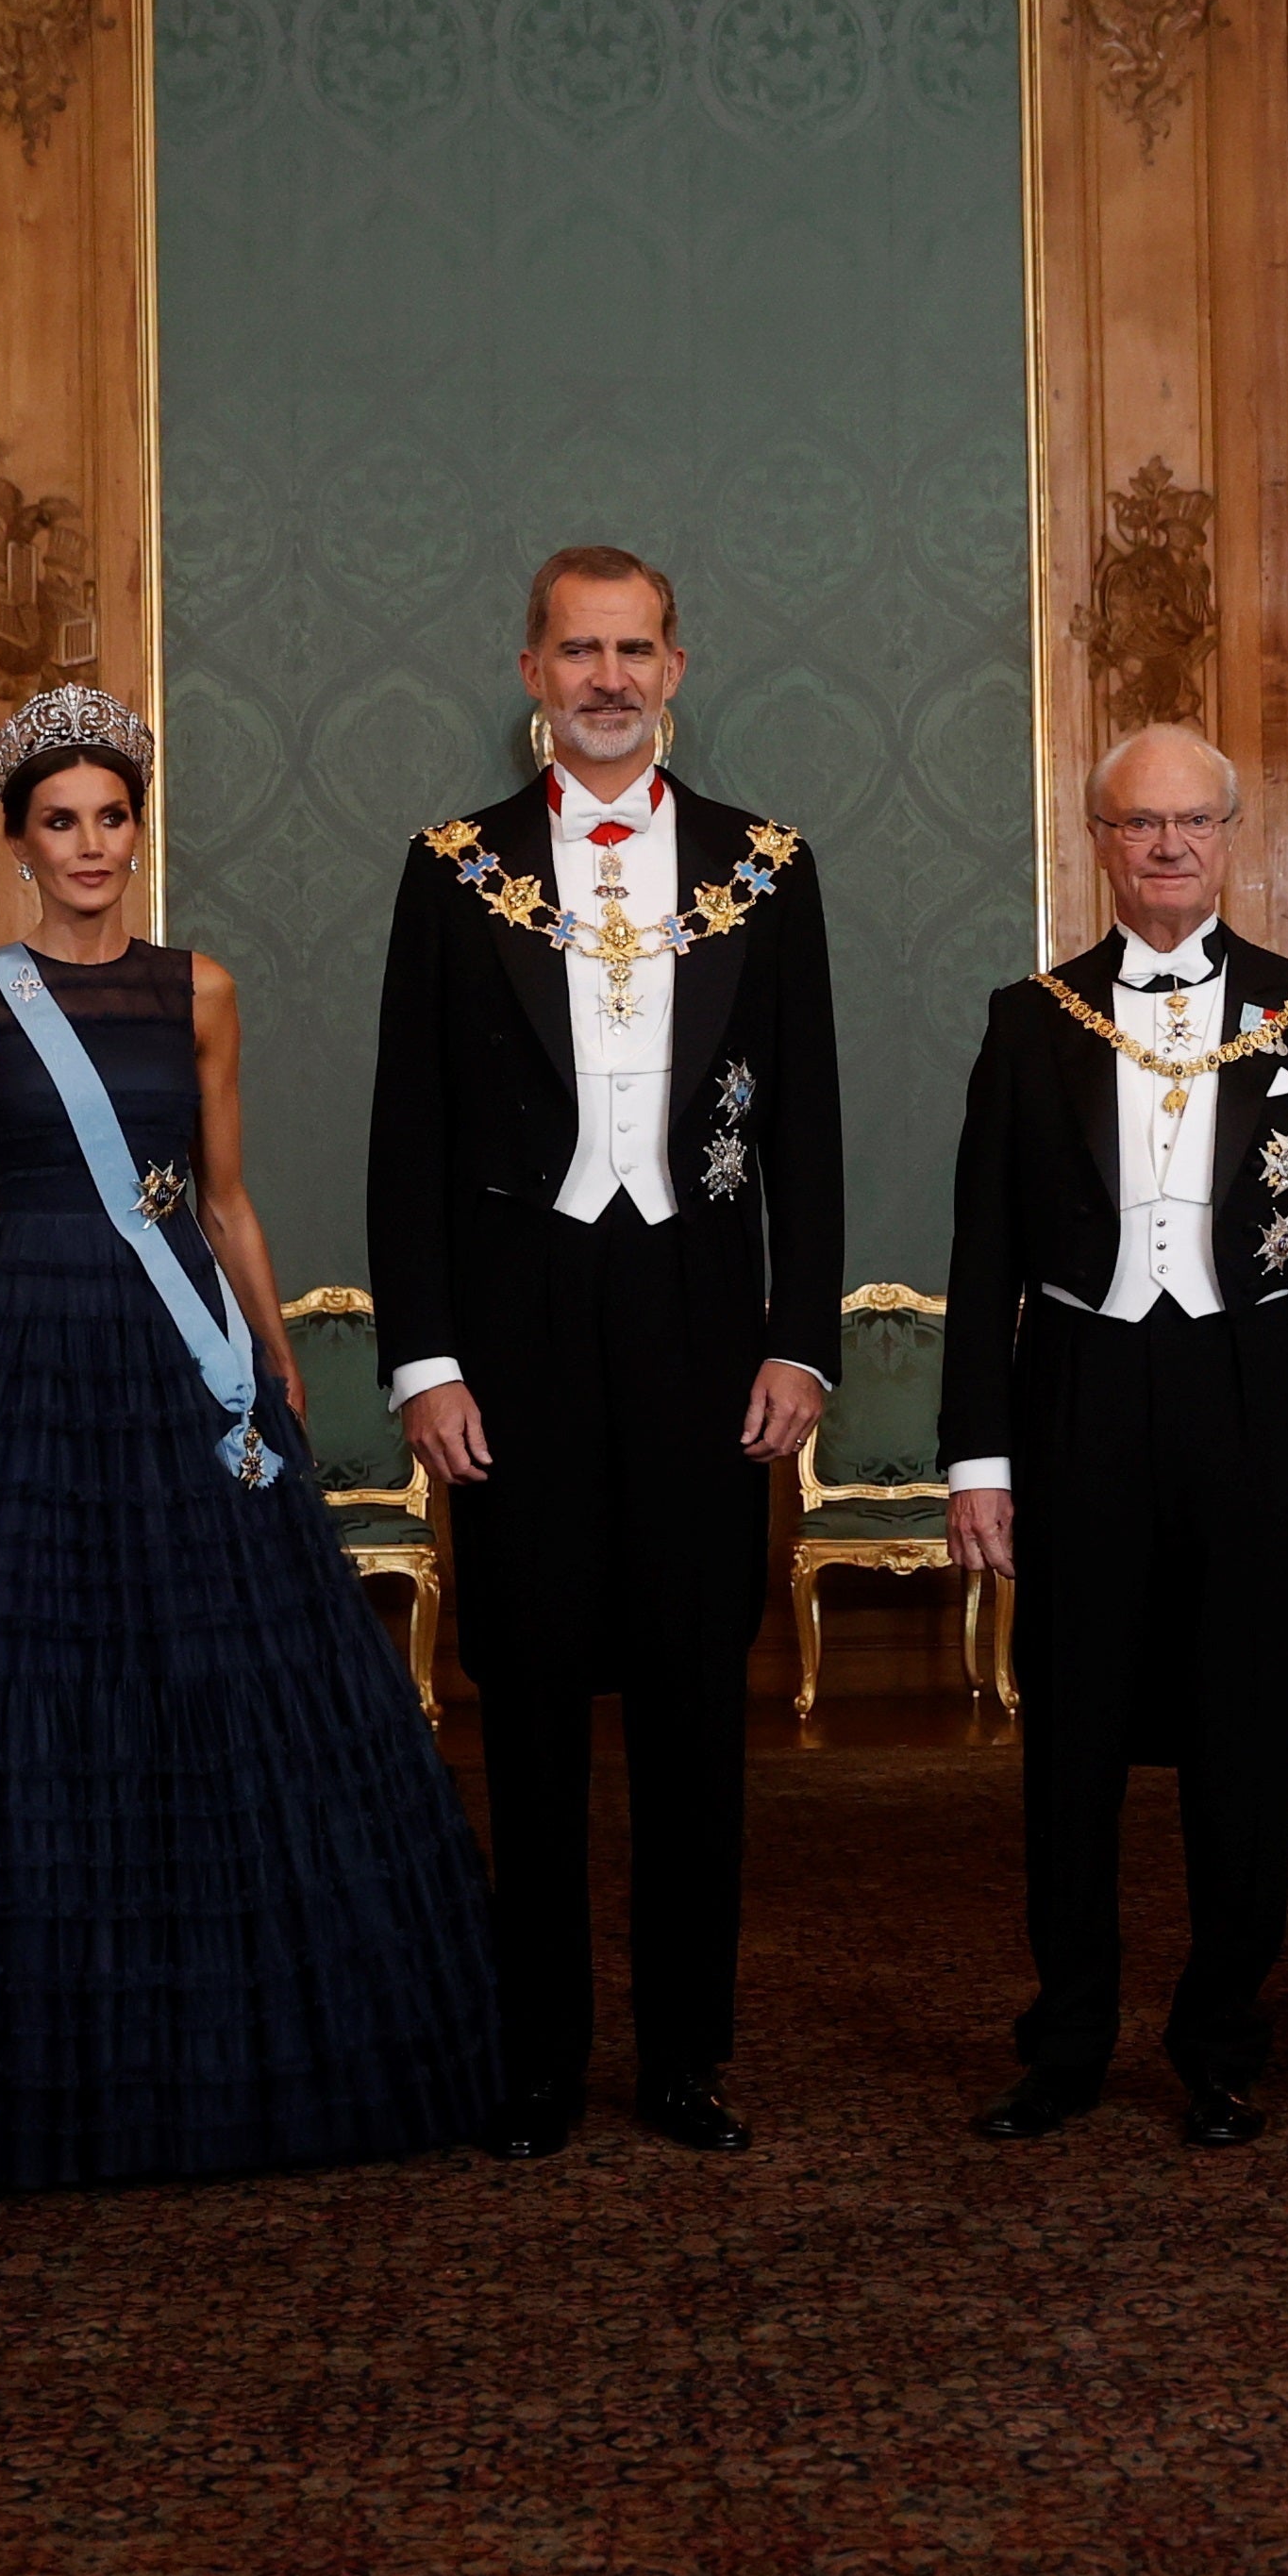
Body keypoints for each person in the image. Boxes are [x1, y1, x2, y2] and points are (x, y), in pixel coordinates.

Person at [0, 688, 497, 2188]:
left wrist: (271, 1353)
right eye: (58, 821)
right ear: (17, 841)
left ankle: (228, 2022)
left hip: (180, 1352)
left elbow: (226, 1194)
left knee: (216, 1671)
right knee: (11, 1667)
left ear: (137, 830)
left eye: (110, 817)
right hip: (22, 1343)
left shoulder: (201, 989)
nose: (88, 844)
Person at [369, 547, 843, 2160]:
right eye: (579, 650)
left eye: (634, 649)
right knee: (530, 1700)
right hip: (515, 1328)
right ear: (532, 670)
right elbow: (405, 1138)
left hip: (704, 1324)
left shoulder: (766, 867)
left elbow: (809, 1132)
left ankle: (686, 2056)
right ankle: (540, 2058)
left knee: (698, 1706)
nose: (608, 678)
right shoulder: (452, 868)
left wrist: (801, 1343)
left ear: (676, 667)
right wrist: (424, 1361)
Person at [941, 723, 1288, 2148]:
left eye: (1194, 819)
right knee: (1069, 1736)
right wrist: (977, 1458)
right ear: (1098, 841)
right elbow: (980, 1253)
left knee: (1242, 1733)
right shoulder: (1030, 1019)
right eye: (1140, 822)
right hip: (1074, 1385)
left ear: (1230, 836)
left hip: (1251, 1386)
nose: (1168, 844)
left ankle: (1222, 2044)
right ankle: (1067, 2040)